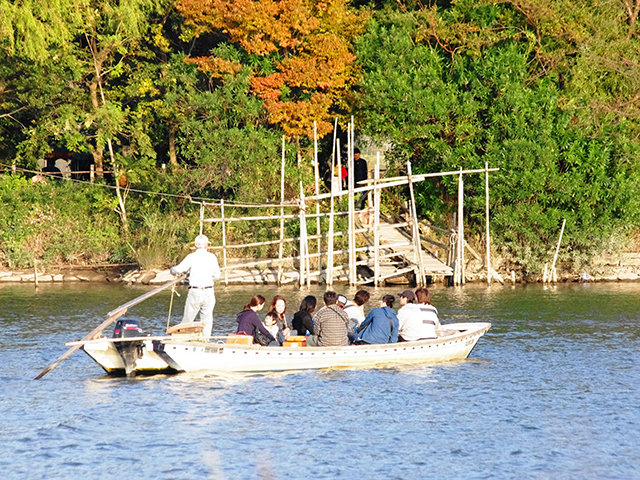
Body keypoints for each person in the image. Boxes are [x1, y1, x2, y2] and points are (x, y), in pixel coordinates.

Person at [170, 234, 221, 339]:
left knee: (188, 319)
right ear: (206, 245)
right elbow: (217, 275)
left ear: (195, 245)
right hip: (209, 291)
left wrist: (172, 270)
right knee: (207, 321)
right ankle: (205, 341)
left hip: (195, 291)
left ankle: (181, 340)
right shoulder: (212, 257)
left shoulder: (192, 257)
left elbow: (179, 269)